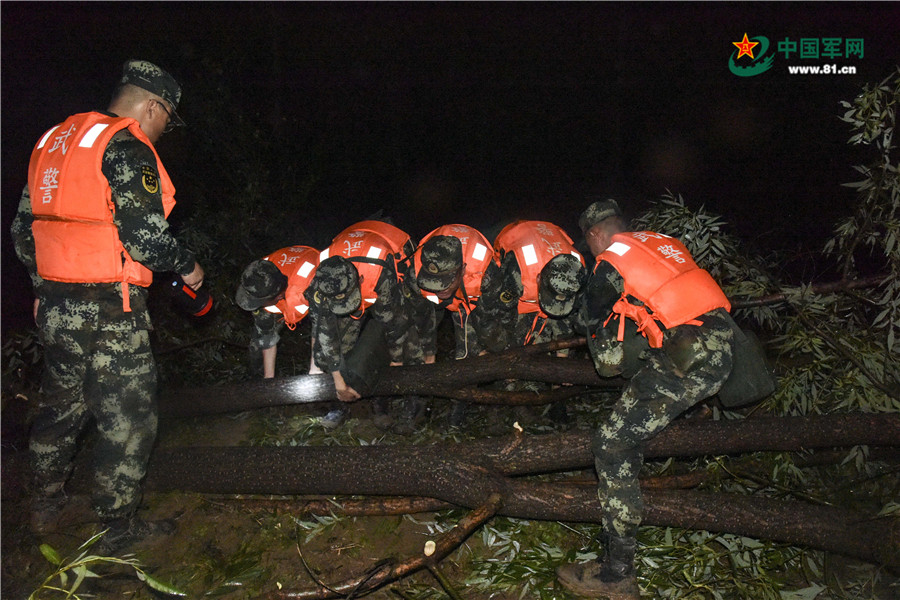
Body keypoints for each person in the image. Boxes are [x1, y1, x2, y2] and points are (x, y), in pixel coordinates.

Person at [10, 60, 204, 551]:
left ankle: (44, 507)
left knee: (61, 408)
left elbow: (22, 231)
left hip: (56, 305)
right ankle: (117, 529)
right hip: (108, 307)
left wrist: (43, 289)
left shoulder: (55, 142)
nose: (164, 129)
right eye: (168, 118)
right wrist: (187, 266)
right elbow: (146, 241)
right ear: (154, 106)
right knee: (129, 418)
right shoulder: (124, 145)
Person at [555, 199, 734, 598]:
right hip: (720, 343)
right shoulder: (659, 242)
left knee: (610, 444)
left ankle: (617, 575)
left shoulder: (610, 259)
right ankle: (693, 414)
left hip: (692, 353)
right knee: (634, 421)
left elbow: (596, 338)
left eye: (589, 244)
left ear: (596, 235)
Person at [306, 220, 421, 429]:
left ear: (359, 281)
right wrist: (339, 381)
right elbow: (325, 334)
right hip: (350, 273)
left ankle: (384, 405)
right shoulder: (319, 285)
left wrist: (396, 360)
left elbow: (391, 322)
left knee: (396, 343)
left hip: (384, 275)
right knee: (324, 355)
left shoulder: (380, 271)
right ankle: (340, 403)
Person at [476, 220, 587, 425]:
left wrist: (562, 362)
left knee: (538, 343)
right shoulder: (517, 270)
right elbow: (497, 314)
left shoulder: (576, 270)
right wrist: (504, 351)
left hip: (543, 270)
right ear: (538, 280)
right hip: (510, 296)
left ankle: (524, 399)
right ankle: (497, 403)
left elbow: (566, 318)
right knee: (510, 344)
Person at [404, 224, 495, 427]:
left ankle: (458, 409)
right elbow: (415, 317)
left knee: (469, 354)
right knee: (416, 348)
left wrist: (482, 347)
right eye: (435, 281)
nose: (440, 288)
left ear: (462, 269)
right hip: (427, 300)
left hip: (468, 302)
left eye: (445, 282)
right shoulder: (415, 271)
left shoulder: (486, 272)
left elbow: (487, 318)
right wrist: (426, 352)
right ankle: (417, 405)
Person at [235, 245, 319, 378]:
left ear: (278, 296)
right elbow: (267, 337)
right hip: (278, 287)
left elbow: (322, 327)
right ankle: (258, 379)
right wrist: (269, 380)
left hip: (313, 290)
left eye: (258, 302)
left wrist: (315, 371)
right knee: (257, 345)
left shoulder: (312, 285)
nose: (256, 305)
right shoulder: (258, 276)